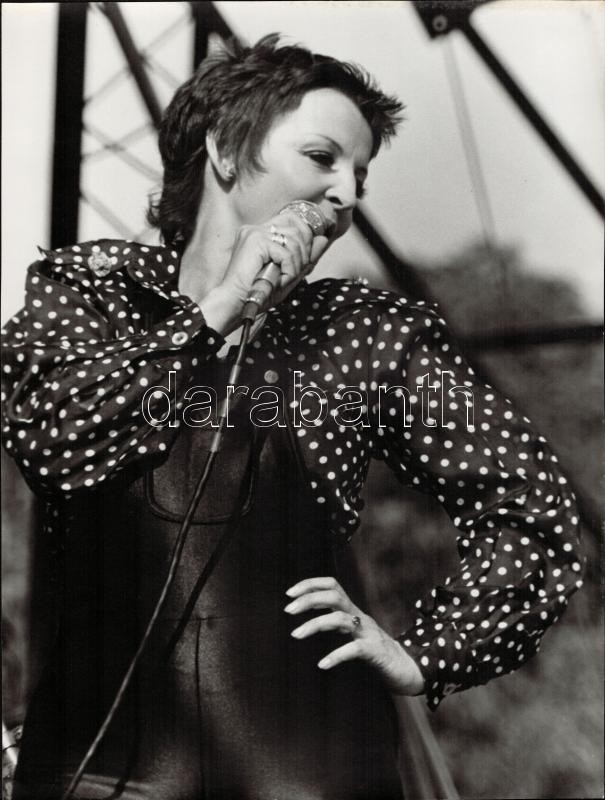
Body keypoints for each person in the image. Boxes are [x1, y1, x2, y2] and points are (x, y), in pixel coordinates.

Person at [2, 34, 584, 800]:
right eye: (321, 157)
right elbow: (52, 440)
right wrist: (215, 311)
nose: (344, 193)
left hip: (307, 775)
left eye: (359, 176)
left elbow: (532, 503)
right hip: (95, 773)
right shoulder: (93, 295)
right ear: (224, 150)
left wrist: (427, 653)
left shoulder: (364, 335)